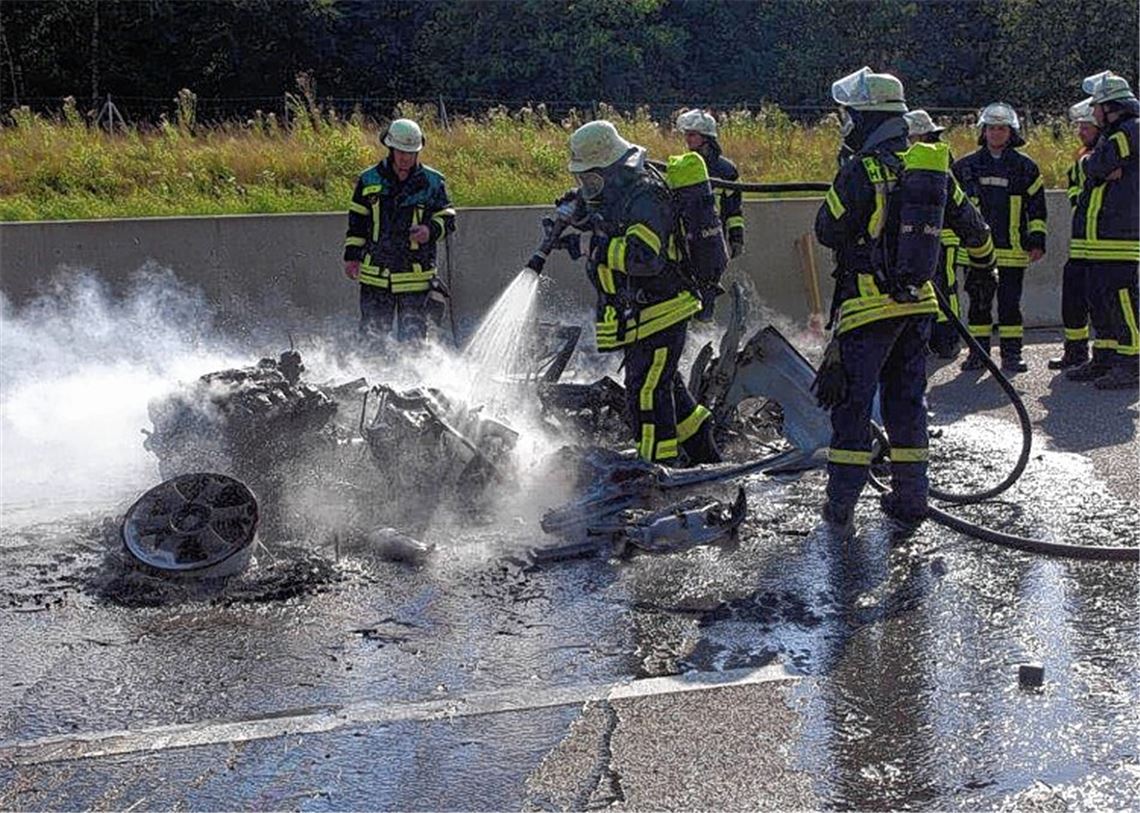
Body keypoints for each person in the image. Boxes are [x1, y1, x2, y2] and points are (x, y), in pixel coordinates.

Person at [815, 67, 994, 534]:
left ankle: (840, 507)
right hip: (918, 308)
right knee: (907, 403)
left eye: (850, 115)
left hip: (867, 312)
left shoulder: (860, 170)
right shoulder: (928, 170)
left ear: (866, 118)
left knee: (852, 409)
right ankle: (911, 498)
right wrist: (984, 269)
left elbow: (826, 229)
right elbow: (976, 230)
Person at [561, 119, 721, 465]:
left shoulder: (645, 195)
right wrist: (576, 216)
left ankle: (655, 471)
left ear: (609, 166)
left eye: (590, 176)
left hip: (661, 310)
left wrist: (593, 247)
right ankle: (704, 453)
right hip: (642, 313)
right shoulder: (618, 192)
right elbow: (606, 220)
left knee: (647, 393)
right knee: (666, 385)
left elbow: (644, 258)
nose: (587, 184)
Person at [343, 118, 456, 344]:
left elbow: (448, 218)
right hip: (376, 277)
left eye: (410, 152)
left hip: (416, 278)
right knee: (372, 341)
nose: (405, 157)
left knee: (414, 345)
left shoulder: (433, 183)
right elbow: (357, 222)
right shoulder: (369, 180)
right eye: (400, 152)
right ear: (390, 148)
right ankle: (372, 377)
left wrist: (430, 230)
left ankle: (413, 380)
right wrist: (352, 257)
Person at [953, 103, 1047, 373]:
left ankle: (1012, 355)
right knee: (978, 305)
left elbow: (1037, 208)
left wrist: (1037, 240)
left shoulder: (1026, 167)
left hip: (1013, 249)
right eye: (991, 128)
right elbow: (954, 210)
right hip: (976, 252)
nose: (996, 133)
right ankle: (977, 354)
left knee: (1010, 306)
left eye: (1001, 128)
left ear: (1011, 132)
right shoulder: (965, 167)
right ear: (983, 131)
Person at [1066, 71, 1139, 389]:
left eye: (1096, 107)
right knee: (1102, 300)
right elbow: (1100, 168)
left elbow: (1096, 166)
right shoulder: (1116, 135)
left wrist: (1092, 164)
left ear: (1111, 107)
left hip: (1118, 236)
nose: (1092, 113)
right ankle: (1106, 358)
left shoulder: (1128, 131)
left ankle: (1133, 363)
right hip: (1100, 237)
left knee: (1122, 299)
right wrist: (1096, 165)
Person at [905, 109, 964, 359]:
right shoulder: (927, 155)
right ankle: (929, 338)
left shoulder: (937, 157)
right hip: (923, 234)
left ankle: (948, 339)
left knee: (945, 287)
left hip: (944, 235)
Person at [1048, 98, 1101, 370]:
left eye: (1086, 127)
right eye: (1079, 126)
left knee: (1104, 302)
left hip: (1104, 242)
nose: (1080, 131)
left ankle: (1107, 356)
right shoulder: (1083, 156)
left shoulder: (1106, 154)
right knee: (1073, 298)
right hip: (1081, 242)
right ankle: (1075, 351)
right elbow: (1074, 189)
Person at [675, 109, 745, 258]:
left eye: (692, 134)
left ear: (706, 137)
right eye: (686, 134)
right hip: (688, 238)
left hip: (713, 239)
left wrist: (736, 239)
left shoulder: (726, 171)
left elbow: (734, 211)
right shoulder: (683, 167)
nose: (687, 139)